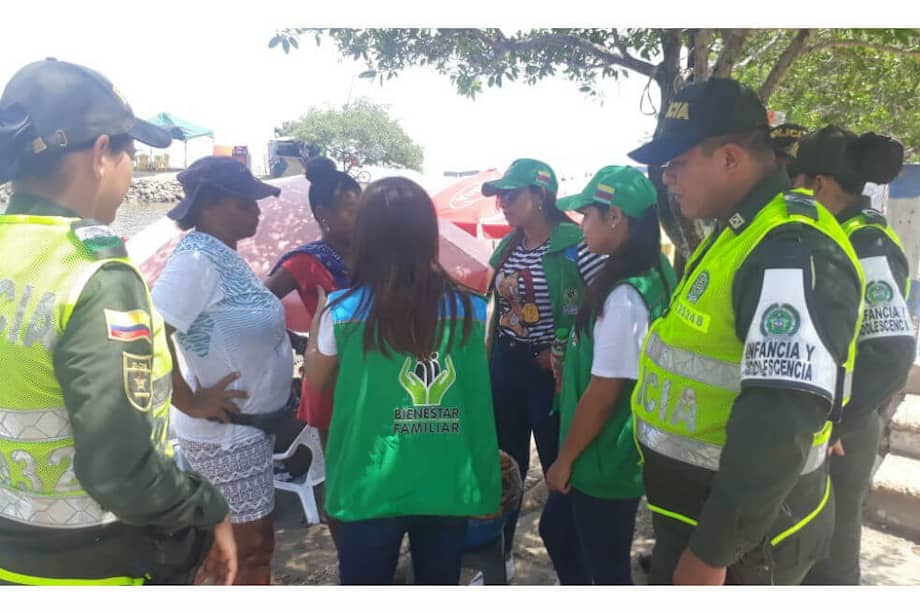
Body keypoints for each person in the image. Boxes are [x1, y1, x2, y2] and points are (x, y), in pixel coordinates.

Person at [0, 58, 234, 585]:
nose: (133, 171)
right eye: (132, 152)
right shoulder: (95, 276)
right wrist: (209, 506)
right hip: (95, 568)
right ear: (102, 154)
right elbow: (120, 471)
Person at [627, 78, 864, 585]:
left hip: (747, 546)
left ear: (730, 159)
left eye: (677, 163)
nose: (665, 178)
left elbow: (780, 416)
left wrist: (711, 553)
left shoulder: (788, 246)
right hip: (708, 522)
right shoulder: (738, 229)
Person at [304, 177, 501, 585]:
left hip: (369, 485)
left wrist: (317, 327)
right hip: (447, 479)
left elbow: (315, 384)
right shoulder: (472, 308)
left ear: (366, 236)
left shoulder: (340, 311)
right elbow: (473, 391)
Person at [151, 155, 294, 585]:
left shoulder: (221, 256)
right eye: (245, 202)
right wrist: (189, 399)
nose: (257, 210)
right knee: (247, 551)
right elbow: (152, 330)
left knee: (238, 551)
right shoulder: (197, 260)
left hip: (244, 431)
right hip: (225, 436)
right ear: (209, 205)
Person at [788, 126, 915, 584]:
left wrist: (836, 421)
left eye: (796, 185)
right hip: (828, 421)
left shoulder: (866, 241)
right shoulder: (836, 232)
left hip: (846, 425)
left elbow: (891, 352)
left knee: (832, 554)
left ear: (817, 184)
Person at [537, 166, 675, 585]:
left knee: (607, 569)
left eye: (588, 215)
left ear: (615, 217)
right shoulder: (656, 273)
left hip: (603, 458)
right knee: (558, 531)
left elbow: (604, 393)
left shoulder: (626, 295)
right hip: (610, 453)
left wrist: (564, 461)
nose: (581, 225)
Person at [482, 159, 606, 576]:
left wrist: (564, 350)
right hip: (505, 365)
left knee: (559, 464)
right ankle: (501, 551)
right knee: (504, 464)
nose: (503, 203)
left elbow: (608, 299)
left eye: (511, 195)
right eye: (501, 196)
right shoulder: (508, 246)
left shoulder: (577, 242)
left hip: (549, 375)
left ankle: (569, 560)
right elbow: (485, 297)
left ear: (540, 196)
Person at [266, 156, 360, 546]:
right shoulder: (306, 261)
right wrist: (301, 343)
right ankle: (349, 560)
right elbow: (258, 305)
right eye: (353, 209)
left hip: (377, 375)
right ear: (324, 213)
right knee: (340, 473)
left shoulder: (379, 251)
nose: (363, 215)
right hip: (332, 380)